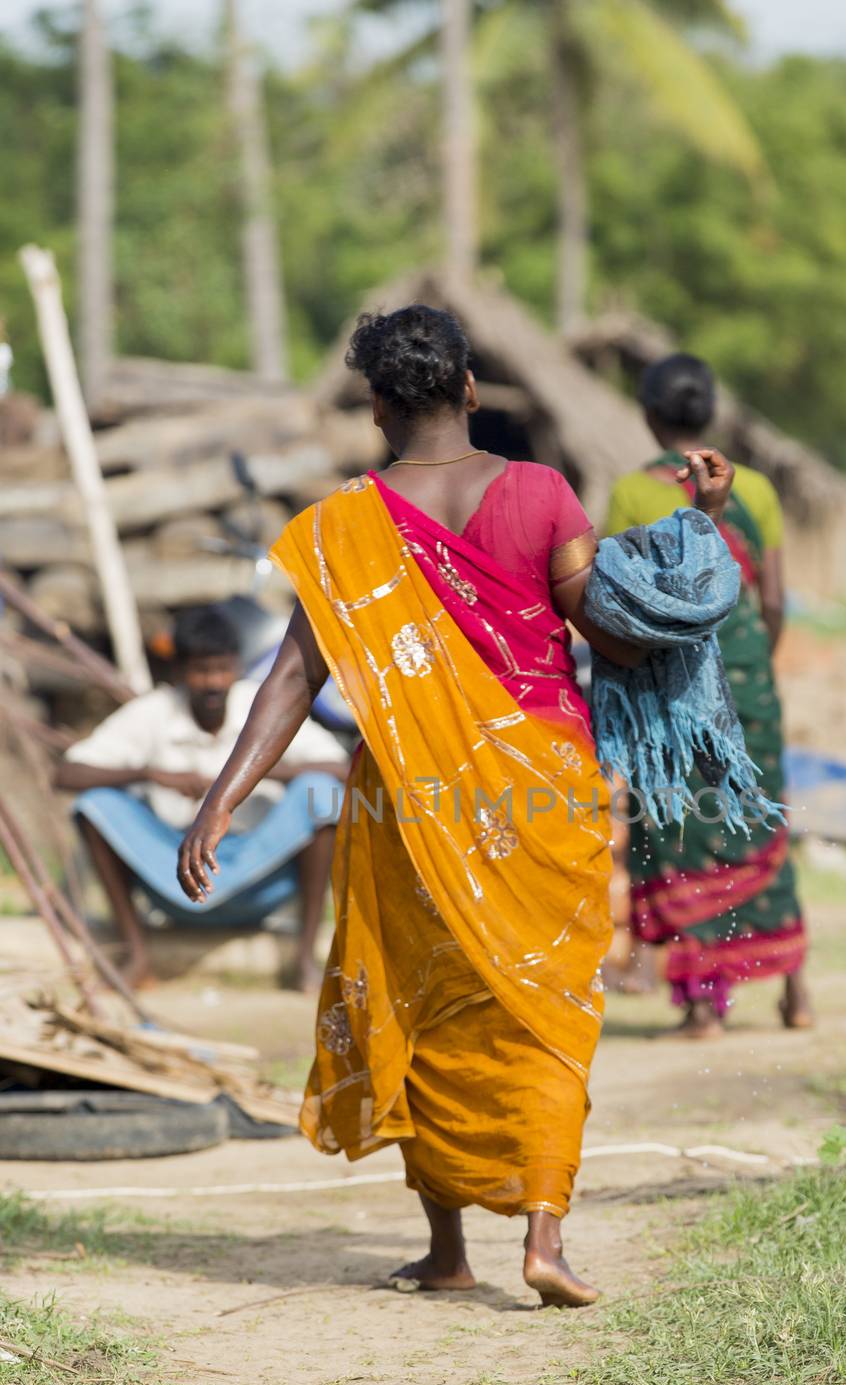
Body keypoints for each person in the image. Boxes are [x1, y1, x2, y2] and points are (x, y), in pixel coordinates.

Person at [176, 304, 732, 1306]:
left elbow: (292, 678)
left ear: (380, 406)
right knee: (545, 1009)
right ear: (470, 389)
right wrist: (701, 537)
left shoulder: (343, 528)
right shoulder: (540, 493)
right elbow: (612, 635)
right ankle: (544, 1236)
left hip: (414, 802)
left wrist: (220, 802)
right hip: (539, 790)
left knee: (420, 1002)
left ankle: (446, 1250)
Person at [606, 353, 812, 1039]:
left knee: (680, 828)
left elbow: (616, 602)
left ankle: (701, 1007)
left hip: (673, 683)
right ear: (712, 412)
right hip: (749, 673)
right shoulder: (753, 487)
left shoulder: (632, 495)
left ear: (647, 414)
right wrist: (752, 666)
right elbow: (774, 600)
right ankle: (794, 994)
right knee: (760, 821)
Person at [58, 605, 349, 991]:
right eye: (201, 670)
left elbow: (342, 767)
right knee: (95, 806)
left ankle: (304, 960)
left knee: (322, 794)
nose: (213, 682)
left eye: (222, 669)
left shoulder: (261, 704)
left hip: (258, 877)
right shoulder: (153, 713)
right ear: (179, 673)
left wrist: (244, 778)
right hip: (173, 879)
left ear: (238, 668)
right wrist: (153, 775)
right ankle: (137, 954)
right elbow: (67, 773)